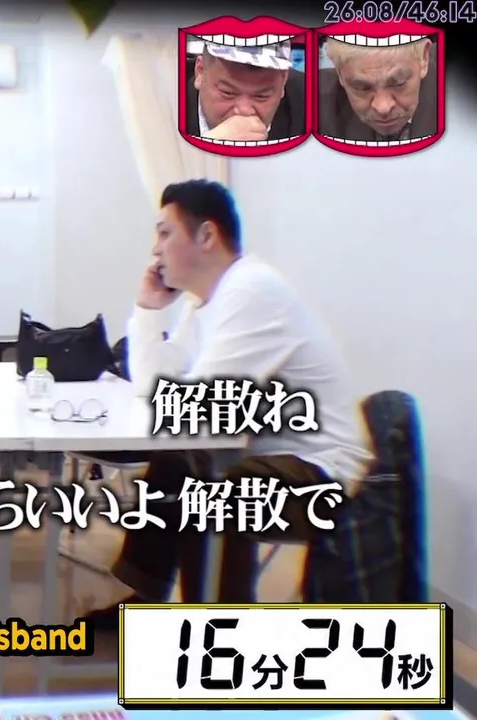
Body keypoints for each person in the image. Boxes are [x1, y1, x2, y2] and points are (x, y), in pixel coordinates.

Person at [82, 180, 403, 628]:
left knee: (211, 489)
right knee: (178, 462)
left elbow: (196, 413)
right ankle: (146, 600)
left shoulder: (252, 292)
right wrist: (149, 309)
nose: (155, 249)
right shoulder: (207, 302)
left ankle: (222, 628)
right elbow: (154, 387)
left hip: (318, 470)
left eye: (165, 233)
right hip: (264, 453)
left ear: (206, 235)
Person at [184, 40, 307, 142]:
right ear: (200, 72)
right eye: (228, 93)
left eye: (261, 96)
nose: (244, 111)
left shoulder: (309, 101)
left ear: (283, 81)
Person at [319, 37, 437, 142]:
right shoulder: (317, 103)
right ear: (339, 73)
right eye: (362, 88)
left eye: (399, 84)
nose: (383, 108)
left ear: (423, 59)